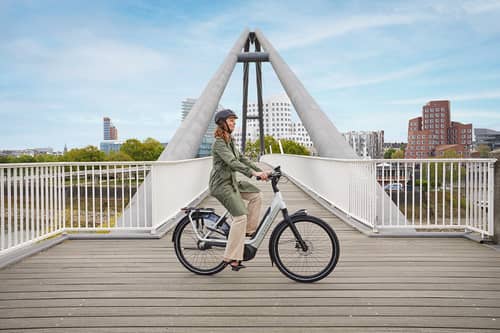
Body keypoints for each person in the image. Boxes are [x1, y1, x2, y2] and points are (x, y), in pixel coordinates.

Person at [209, 109, 270, 271]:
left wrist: (261, 171)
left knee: (257, 195)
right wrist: (252, 173)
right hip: (222, 185)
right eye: (231, 121)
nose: (234, 124)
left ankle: (247, 233)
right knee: (240, 217)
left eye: (234, 121)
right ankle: (231, 257)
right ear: (222, 123)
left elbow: (242, 158)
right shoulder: (219, 143)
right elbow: (232, 162)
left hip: (232, 182)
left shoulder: (230, 140)